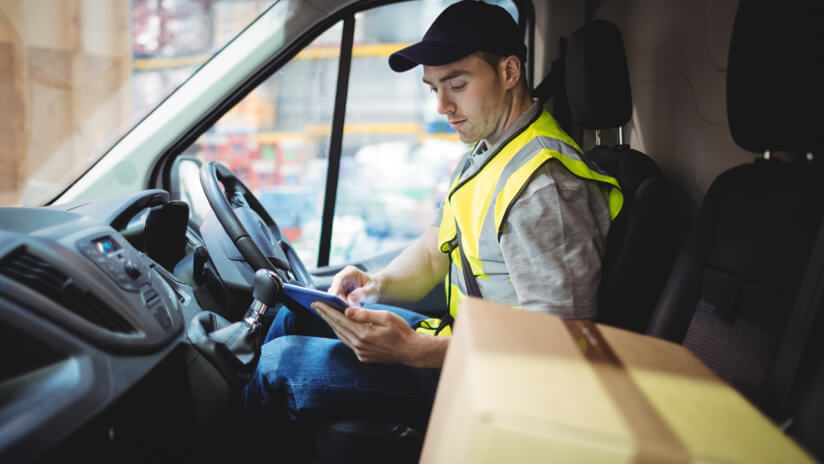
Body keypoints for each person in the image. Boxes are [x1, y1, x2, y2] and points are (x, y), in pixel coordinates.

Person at [241, 0, 622, 458]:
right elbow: (433, 250)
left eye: (456, 85)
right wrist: (375, 284)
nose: (442, 106)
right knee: (295, 315)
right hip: (464, 346)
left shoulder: (544, 187)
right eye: (433, 89)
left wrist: (414, 351)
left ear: (509, 72)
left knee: (279, 365)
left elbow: (562, 346)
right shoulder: (488, 153)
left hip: (503, 388)